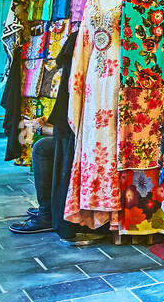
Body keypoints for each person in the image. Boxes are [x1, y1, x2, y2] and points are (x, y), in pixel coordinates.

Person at [8, 32, 105, 245]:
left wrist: (43, 129)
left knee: (44, 148)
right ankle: (48, 210)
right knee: (45, 147)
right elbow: (70, 129)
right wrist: (46, 126)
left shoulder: (90, 79)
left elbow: (73, 132)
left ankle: (47, 213)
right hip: (79, 138)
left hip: (91, 143)